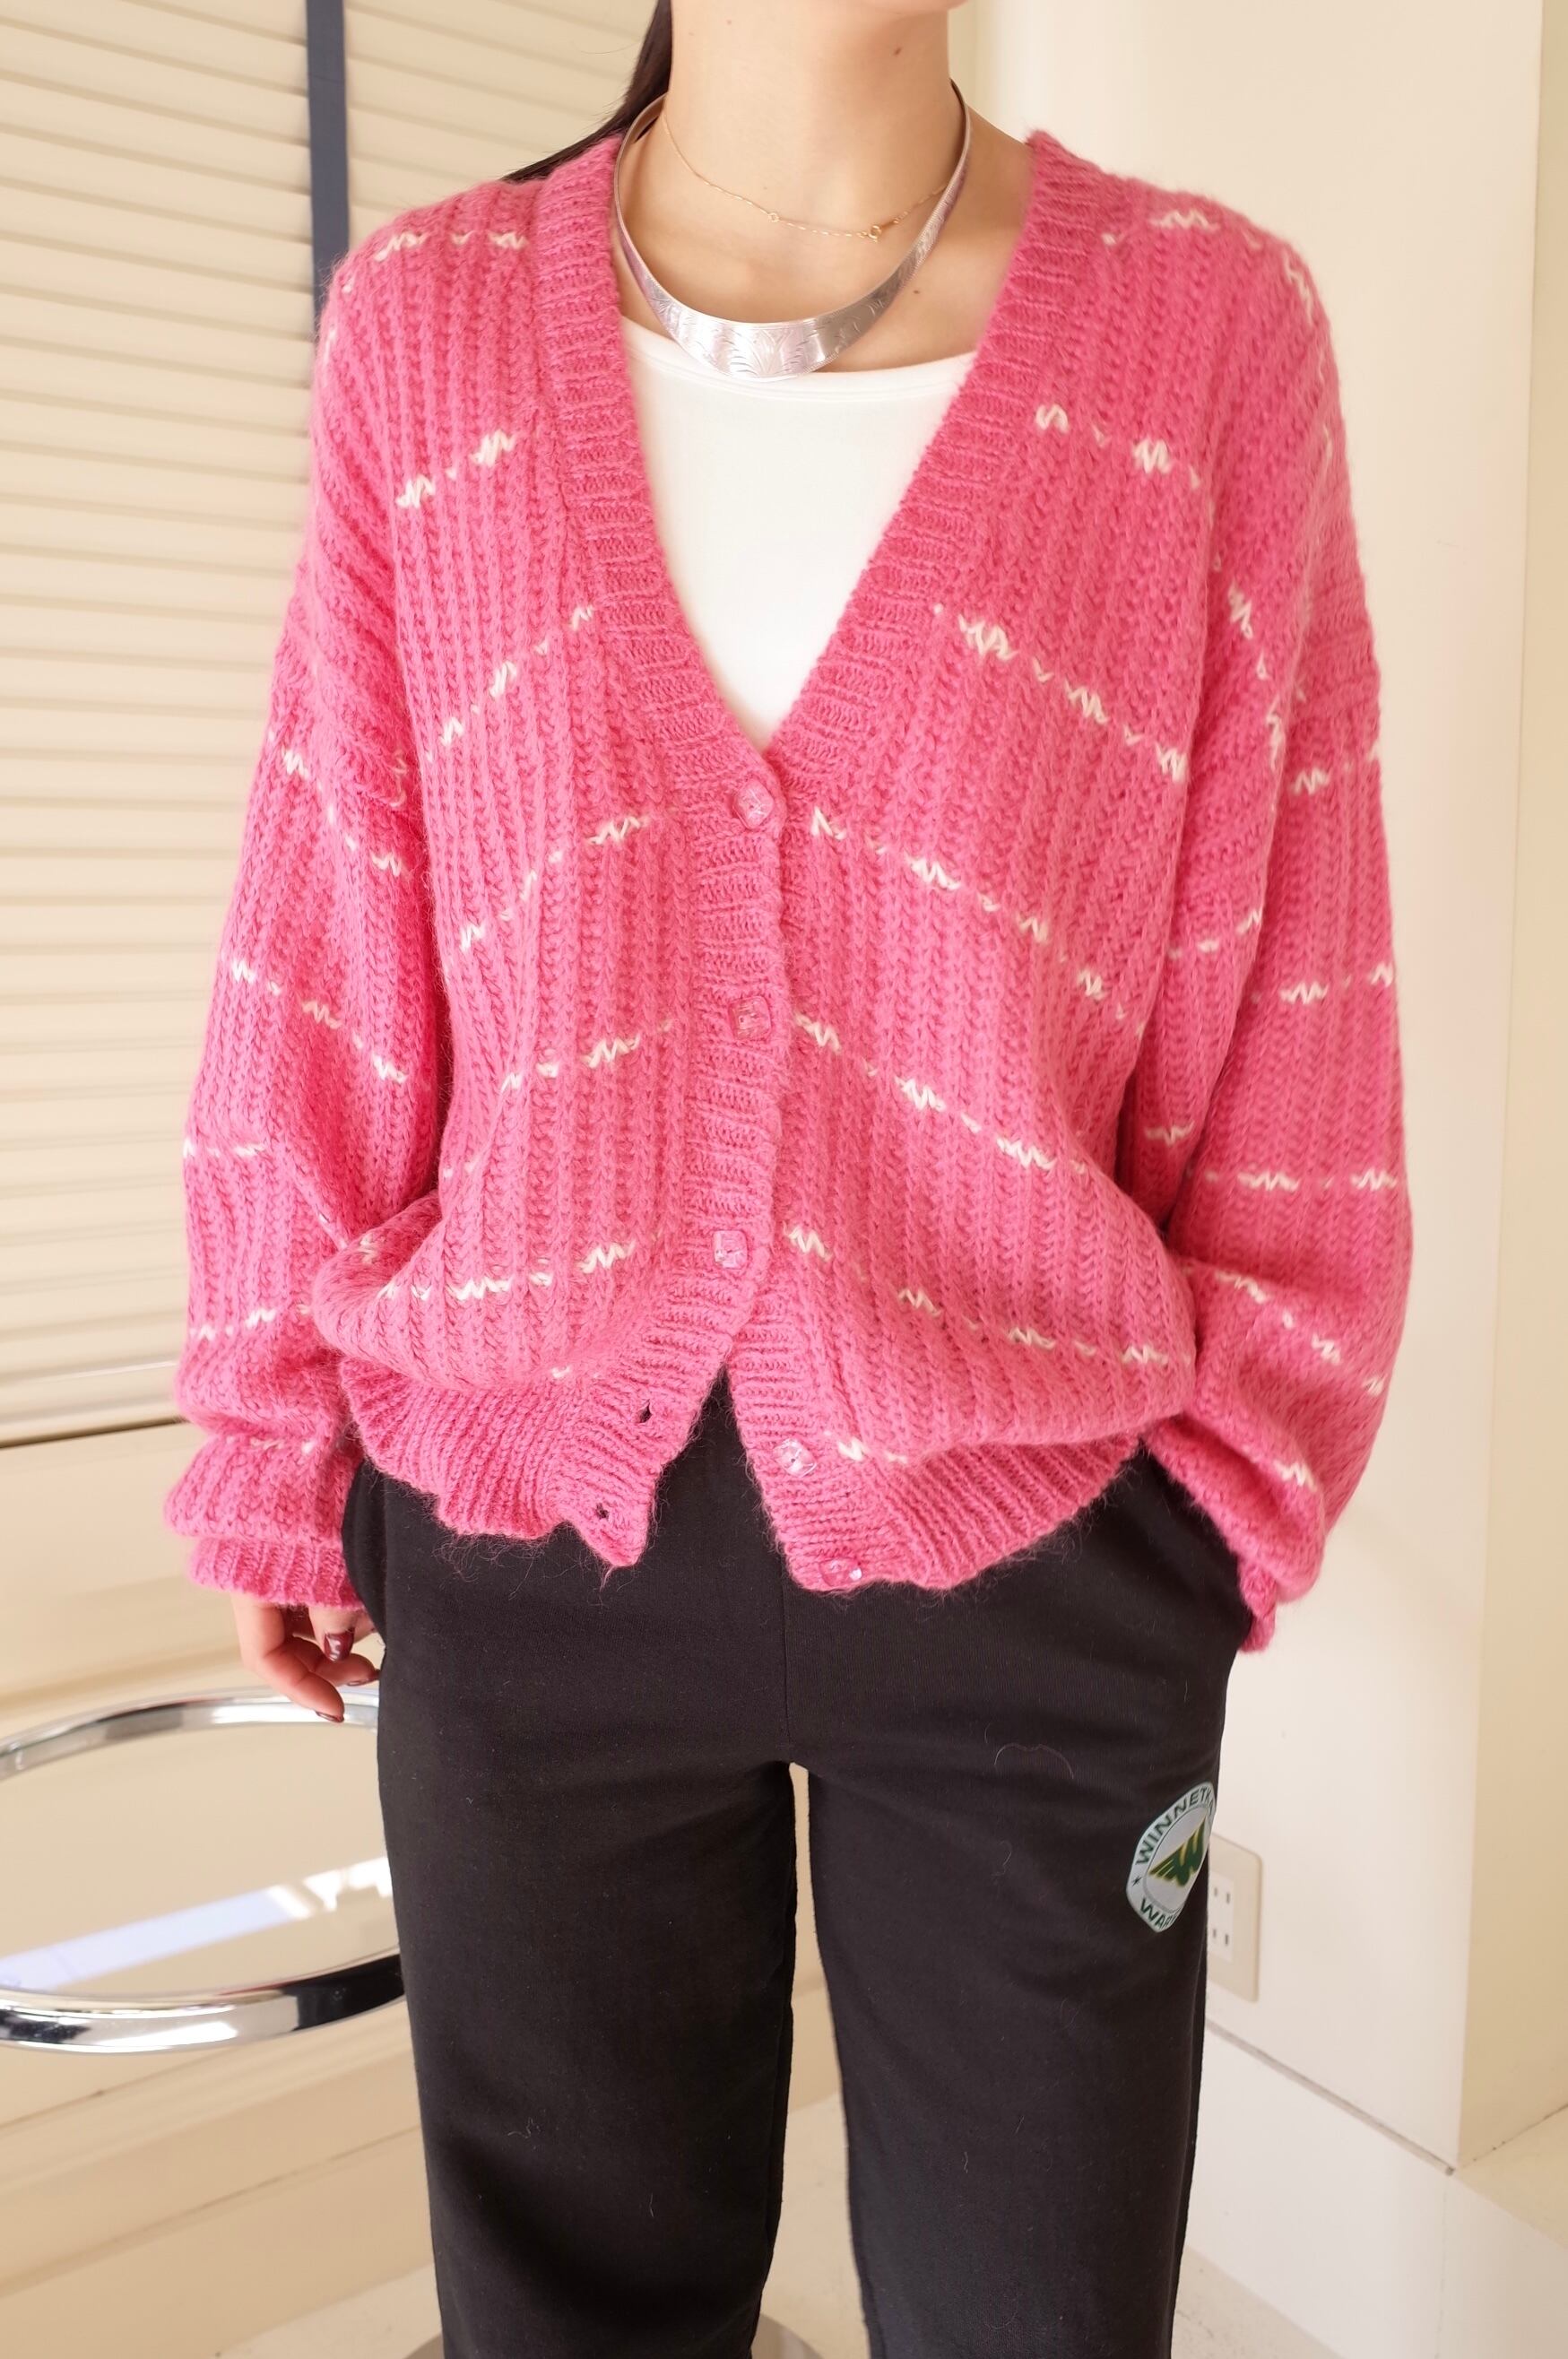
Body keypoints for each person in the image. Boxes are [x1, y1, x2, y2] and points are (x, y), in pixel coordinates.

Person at [164, 2, 1413, 2351]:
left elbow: (1300, 961)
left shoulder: (1206, 334)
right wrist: (268, 1442)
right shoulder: (427, 332)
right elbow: (329, 926)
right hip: (523, 1534)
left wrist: (1229, 1489)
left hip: (1049, 1546)